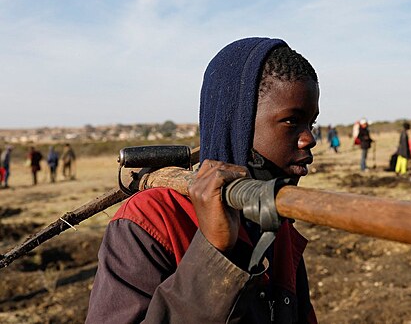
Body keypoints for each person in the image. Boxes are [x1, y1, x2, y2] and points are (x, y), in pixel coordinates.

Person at [87, 37, 319, 323]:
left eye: (312, 122)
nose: (310, 138)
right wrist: (213, 250)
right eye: (291, 120)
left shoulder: (275, 222)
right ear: (239, 123)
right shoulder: (150, 219)